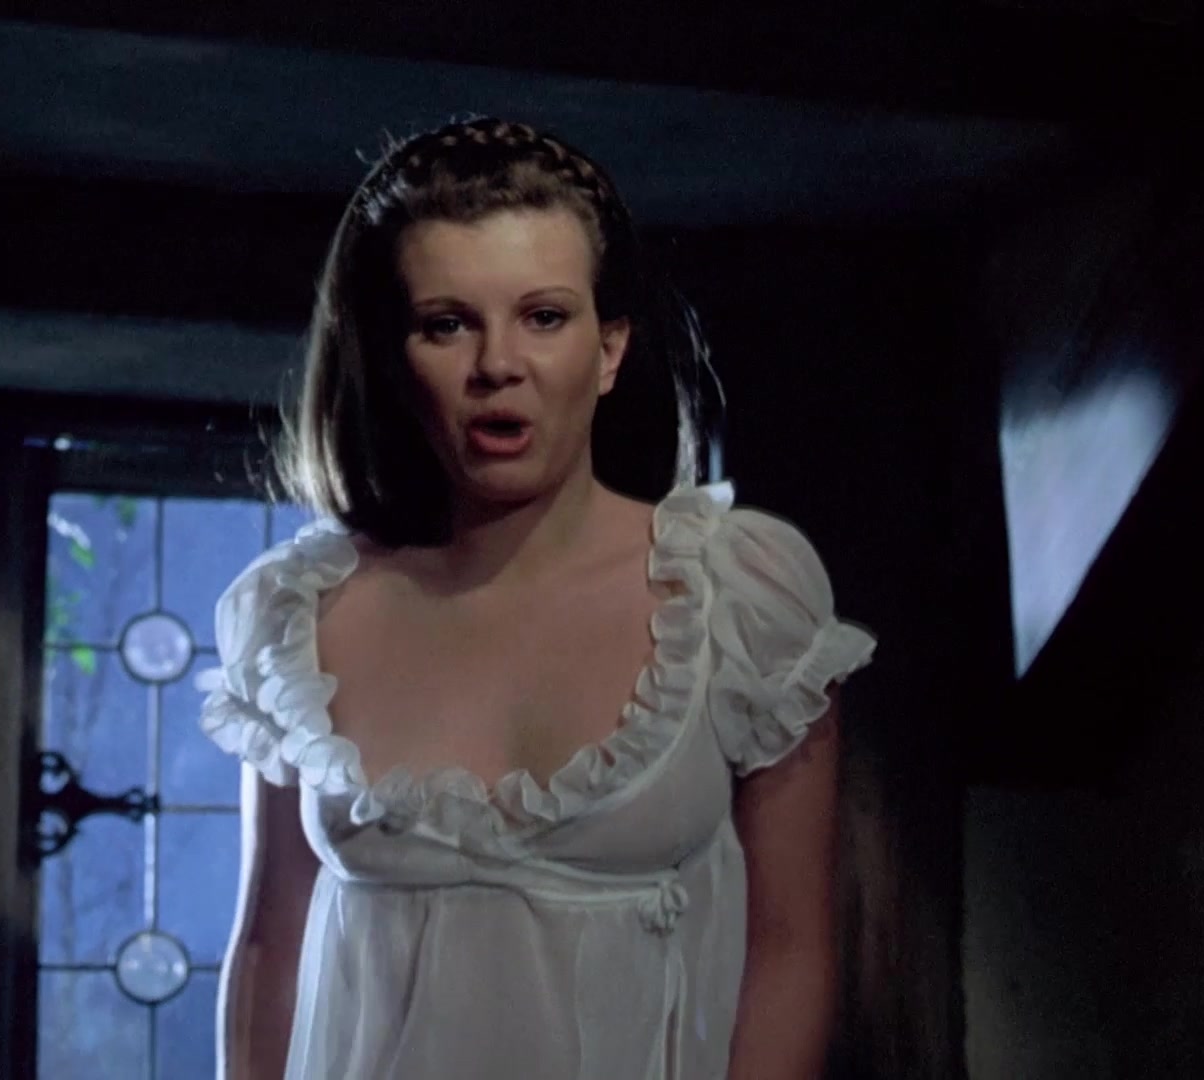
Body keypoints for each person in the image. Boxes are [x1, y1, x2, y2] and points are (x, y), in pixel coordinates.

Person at [197, 116, 877, 1079]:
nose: (496, 365)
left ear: (610, 350)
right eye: (447, 323)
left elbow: (792, 948)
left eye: (544, 317)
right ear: (393, 355)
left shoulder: (740, 596)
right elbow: (271, 946)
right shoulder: (296, 616)